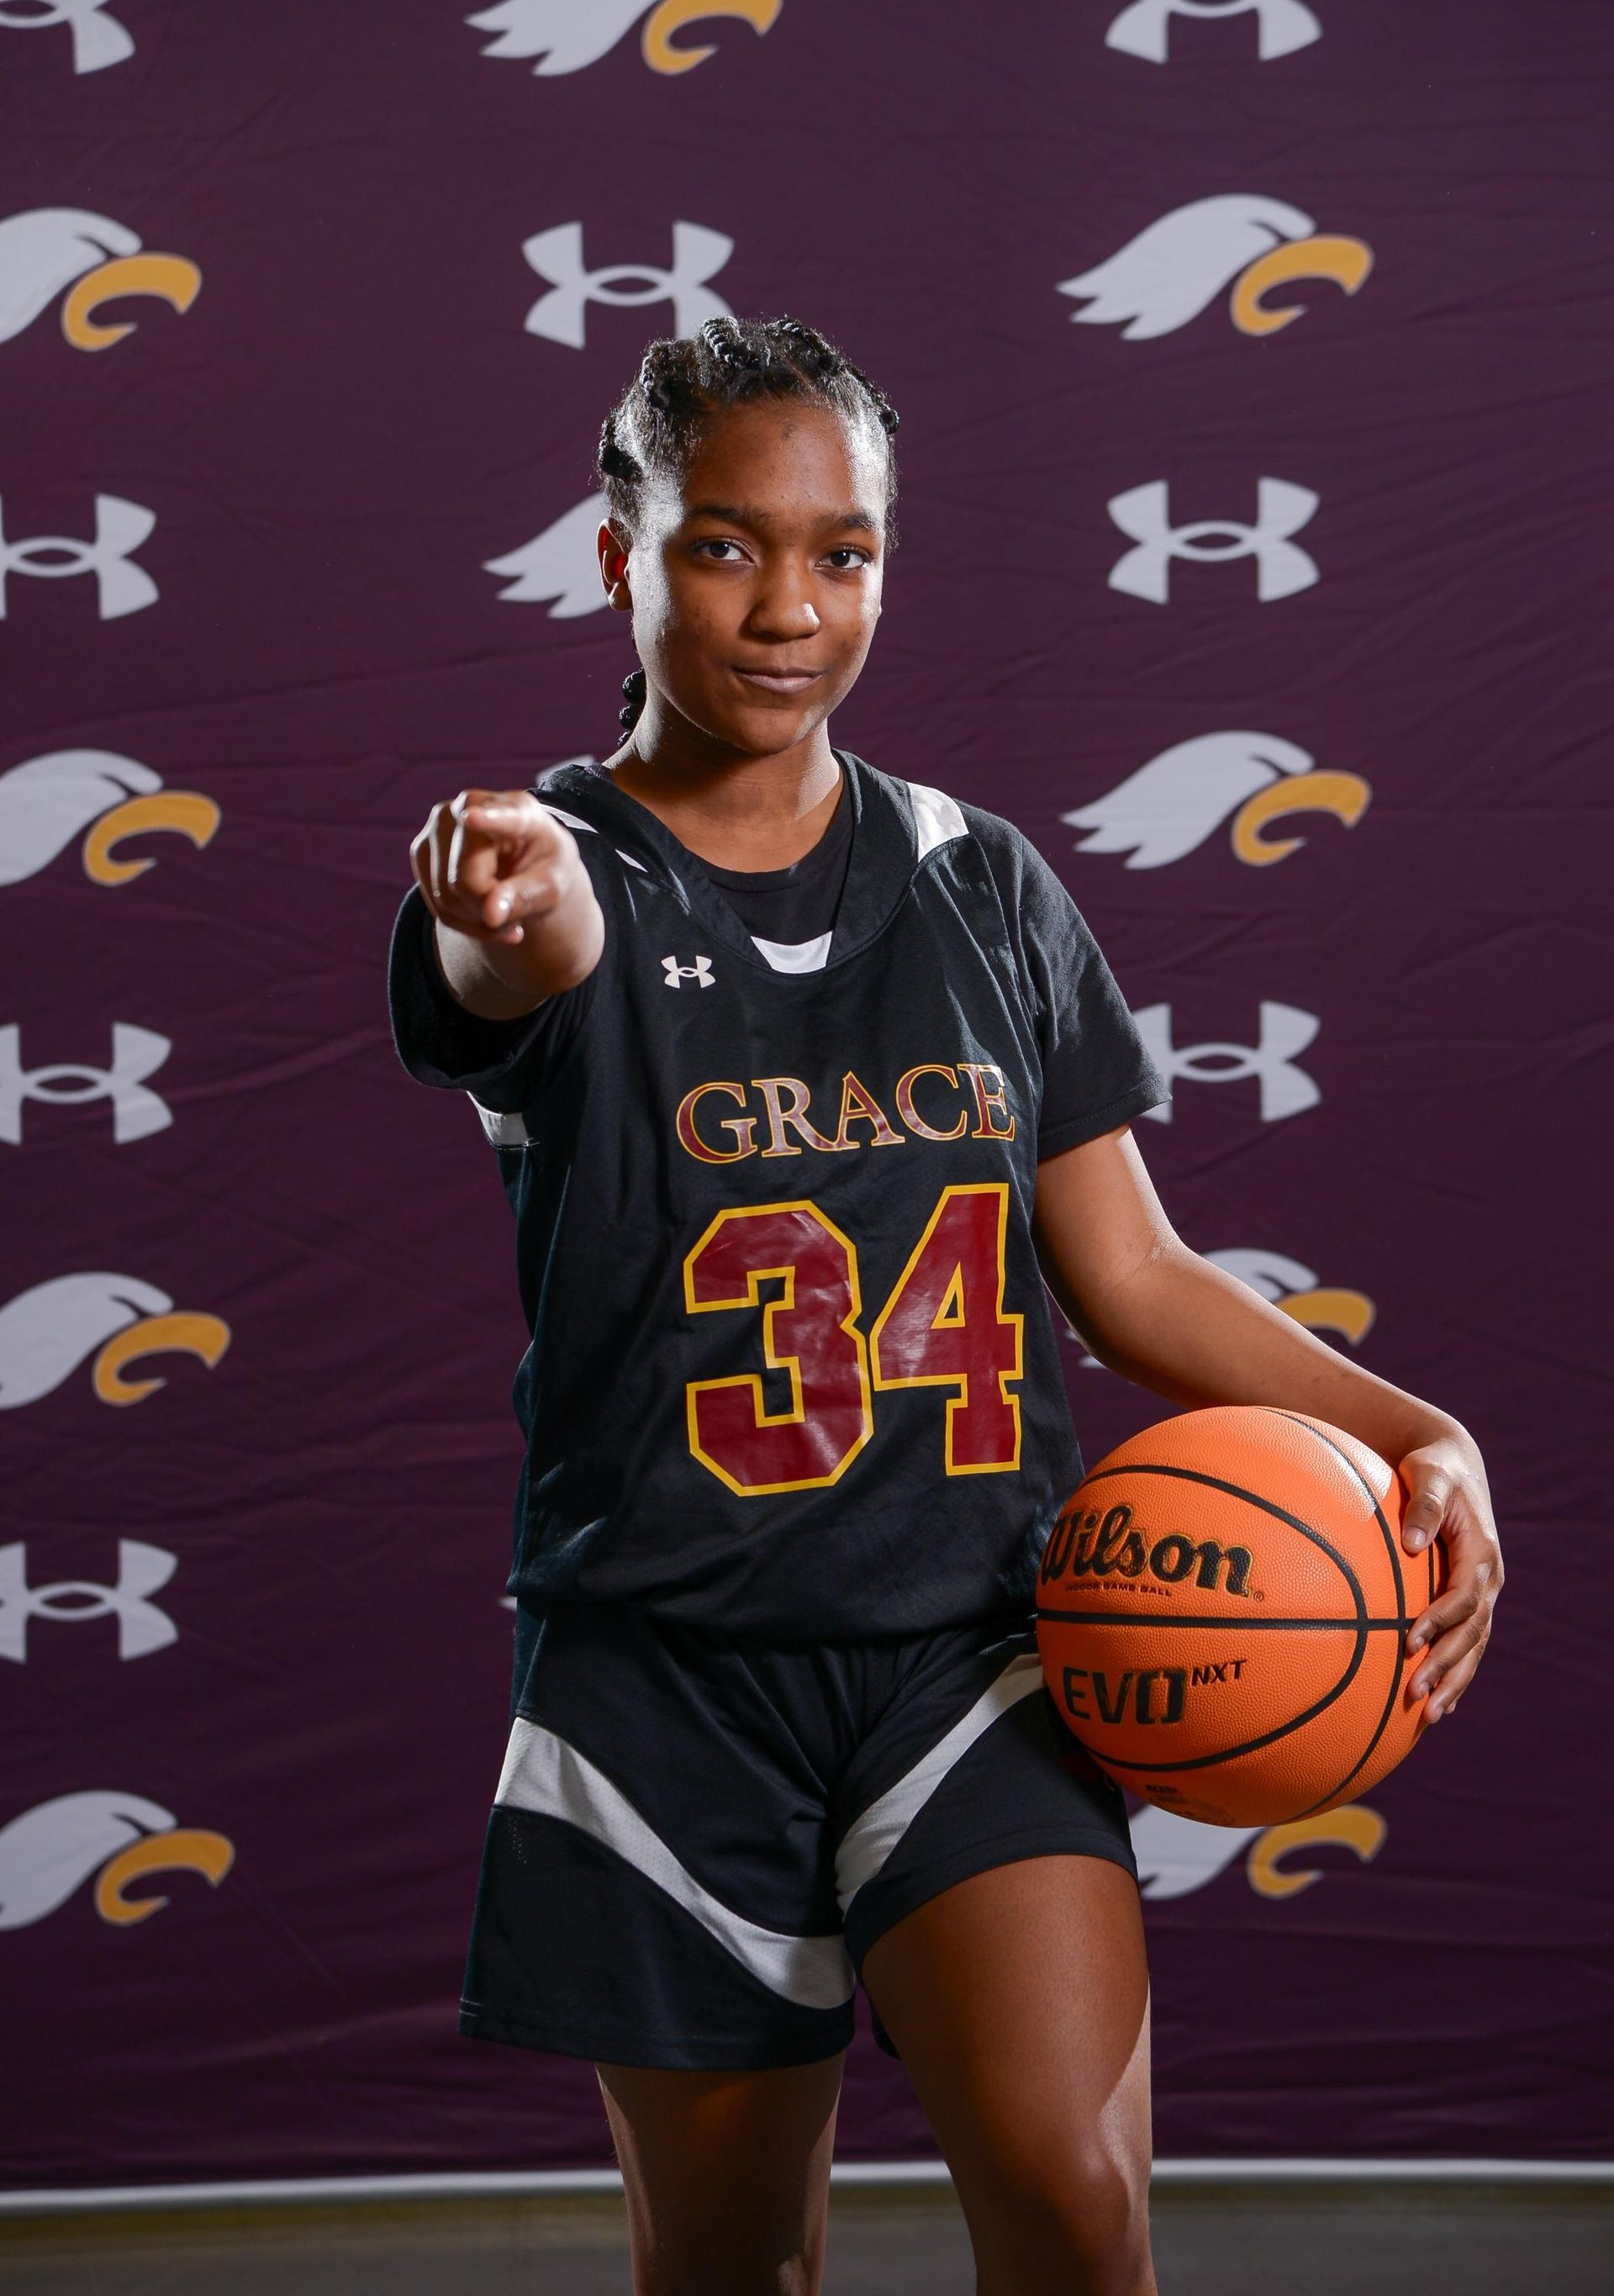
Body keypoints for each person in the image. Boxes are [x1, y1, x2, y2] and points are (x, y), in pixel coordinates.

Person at [387, 314, 1502, 2296]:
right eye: (726, 546)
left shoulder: (986, 886)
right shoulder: (553, 868)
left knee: (1078, 2216)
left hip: (970, 1655)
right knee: (737, 2269)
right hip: (667, 1677)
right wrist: (500, 918)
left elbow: (1133, 1275)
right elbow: (514, 959)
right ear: (618, 552)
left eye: (847, 553)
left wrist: (1413, 1428)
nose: (790, 608)